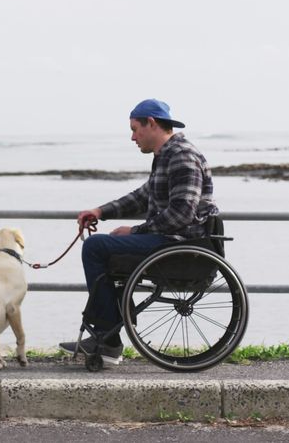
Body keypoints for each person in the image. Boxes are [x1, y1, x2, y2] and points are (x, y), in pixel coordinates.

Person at [59, 98, 219, 363]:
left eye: (135, 129)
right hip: (168, 241)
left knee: (95, 246)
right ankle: (107, 331)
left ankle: (107, 339)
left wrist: (135, 231)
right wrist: (100, 211)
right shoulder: (166, 156)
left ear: (152, 123)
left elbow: (182, 213)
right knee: (104, 248)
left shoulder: (182, 156)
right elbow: (141, 198)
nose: (133, 137)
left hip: (181, 246)